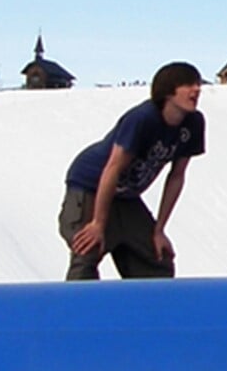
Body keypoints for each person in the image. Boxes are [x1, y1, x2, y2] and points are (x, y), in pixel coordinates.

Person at [59, 61, 207, 280]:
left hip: (126, 195)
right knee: (88, 249)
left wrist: (158, 230)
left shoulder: (193, 124)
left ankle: (150, 311)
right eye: (187, 84)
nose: (196, 89)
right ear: (168, 91)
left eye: (197, 84)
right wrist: (98, 223)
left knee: (158, 258)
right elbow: (113, 168)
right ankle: (79, 309)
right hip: (91, 185)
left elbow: (176, 177)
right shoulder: (143, 118)